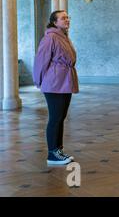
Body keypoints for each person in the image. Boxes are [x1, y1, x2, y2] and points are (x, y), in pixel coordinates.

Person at [33, 10, 79, 165]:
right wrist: (38, 80)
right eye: (63, 18)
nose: (67, 20)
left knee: (61, 117)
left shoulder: (63, 36)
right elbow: (41, 60)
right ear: (54, 22)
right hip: (54, 83)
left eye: (68, 17)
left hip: (64, 81)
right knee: (55, 118)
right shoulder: (50, 37)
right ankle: (52, 154)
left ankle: (58, 150)